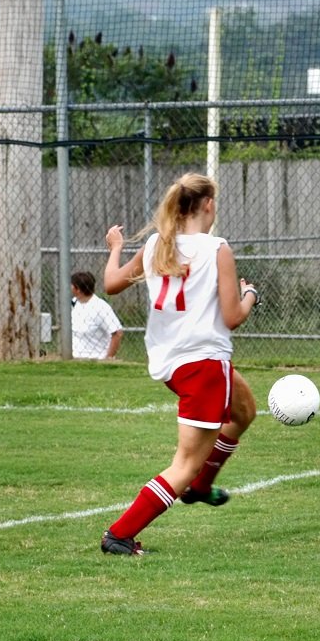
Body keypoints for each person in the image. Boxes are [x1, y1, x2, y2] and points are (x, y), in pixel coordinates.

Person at [98, 172, 261, 555]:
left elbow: (111, 284)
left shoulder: (157, 243)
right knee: (185, 463)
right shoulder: (216, 248)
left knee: (244, 411)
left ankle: (201, 487)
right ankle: (119, 535)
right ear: (208, 205)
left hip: (175, 362)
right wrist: (250, 294)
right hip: (204, 364)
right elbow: (233, 315)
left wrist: (116, 246)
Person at [70, 271, 124, 360]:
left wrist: (108, 358)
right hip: (75, 358)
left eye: (72, 285)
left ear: (78, 289)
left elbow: (117, 333)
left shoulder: (101, 307)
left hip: (96, 359)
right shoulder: (74, 303)